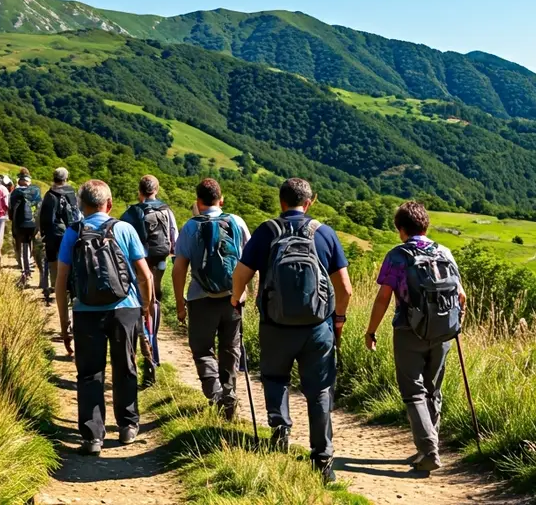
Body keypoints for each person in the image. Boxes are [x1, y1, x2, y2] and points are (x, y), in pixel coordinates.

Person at [230, 178, 354, 483]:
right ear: (309, 202)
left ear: (281, 202)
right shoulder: (324, 233)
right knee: (320, 390)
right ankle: (322, 459)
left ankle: (280, 426)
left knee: (274, 377)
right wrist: (338, 319)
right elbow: (346, 289)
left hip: (275, 325)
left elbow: (241, 274)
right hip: (317, 327)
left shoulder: (266, 231)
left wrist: (236, 299)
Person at [55, 179, 157, 456]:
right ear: (109, 204)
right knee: (125, 366)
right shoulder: (124, 229)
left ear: (80, 206)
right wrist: (146, 308)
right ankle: (127, 426)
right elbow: (145, 275)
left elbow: (61, 281)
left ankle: (92, 437)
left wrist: (64, 323)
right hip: (125, 308)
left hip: (85, 311)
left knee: (89, 373)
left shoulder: (73, 233)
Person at [364, 201, 467, 473]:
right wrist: (456, 324)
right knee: (433, 389)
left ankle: (429, 450)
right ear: (426, 225)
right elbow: (461, 295)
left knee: (413, 391)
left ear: (401, 229)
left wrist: (371, 330)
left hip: (409, 330)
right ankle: (427, 447)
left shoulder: (397, 256)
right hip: (444, 331)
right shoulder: (444, 252)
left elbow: (383, 298)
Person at [171, 178, 250, 418]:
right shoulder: (236, 221)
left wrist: (180, 304)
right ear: (221, 199)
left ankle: (215, 395)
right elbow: (250, 261)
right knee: (230, 348)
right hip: (233, 298)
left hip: (200, 298)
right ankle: (229, 394)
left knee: (203, 349)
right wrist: (246, 291)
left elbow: (179, 268)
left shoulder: (191, 227)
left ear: (198, 202)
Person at [120, 174, 179, 386]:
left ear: (140, 191)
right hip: (160, 263)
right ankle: (153, 348)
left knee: (140, 308)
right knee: (153, 304)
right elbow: (174, 240)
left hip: (138, 266)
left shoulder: (131, 213)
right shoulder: (167, 210)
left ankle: (144, 358)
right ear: (157, 189)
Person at [40, 167, 80, 304]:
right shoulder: (71, 193)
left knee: (52, 262)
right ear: (66, 178)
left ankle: (55, 289)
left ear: (54, 178)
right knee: (70, 261)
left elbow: (46, 218)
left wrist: (43, 233)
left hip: (53, 234)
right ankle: (70, 289)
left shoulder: (49, 195)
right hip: (70, 232)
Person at [9, 168, 42, 285]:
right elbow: (39, 207)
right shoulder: (36, 190)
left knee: (24, 247)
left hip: (20, 224)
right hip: (34, 224)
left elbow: (11, 210)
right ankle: (41, 276)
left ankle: (26, 272)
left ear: (19, 179)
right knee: (33, 246)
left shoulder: (15, 193)